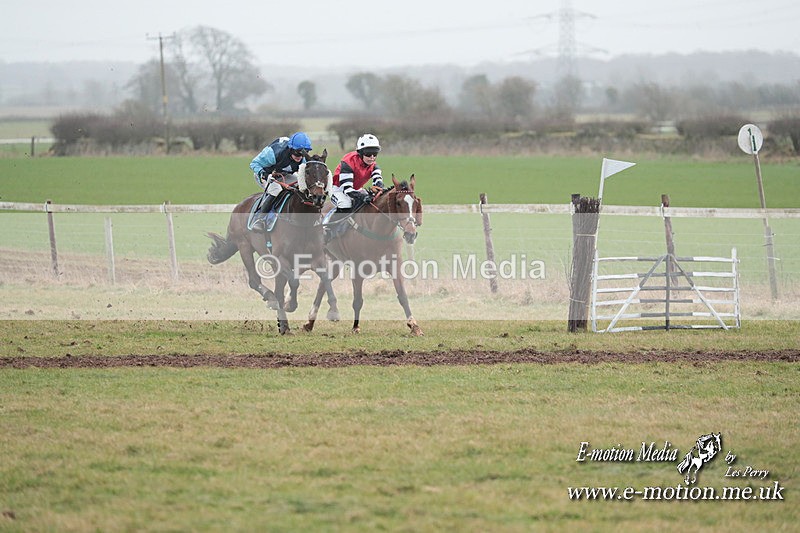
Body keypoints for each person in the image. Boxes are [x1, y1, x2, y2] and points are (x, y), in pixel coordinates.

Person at [249, 132, 313, 232]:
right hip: (265, 174)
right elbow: (254, 163)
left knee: (300, 187)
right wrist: (265, 174)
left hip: (283, 174)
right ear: (290, 149)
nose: (300, 156)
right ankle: (260, 219)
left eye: (304, 153)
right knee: (276, 189)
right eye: (297, 152)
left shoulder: (302, 158)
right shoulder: (273, 153)